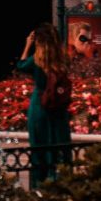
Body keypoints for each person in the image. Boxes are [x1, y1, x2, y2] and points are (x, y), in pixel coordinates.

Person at [16, 22, 73, 187]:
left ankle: (39, 185)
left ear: (38, 41)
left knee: (39, 146)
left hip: (39, 106)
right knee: (58, 144)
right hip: (58, 108)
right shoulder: (63, 59)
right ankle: (60, 182)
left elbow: (20, 65)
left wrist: (27, 45)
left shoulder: (36, 60)